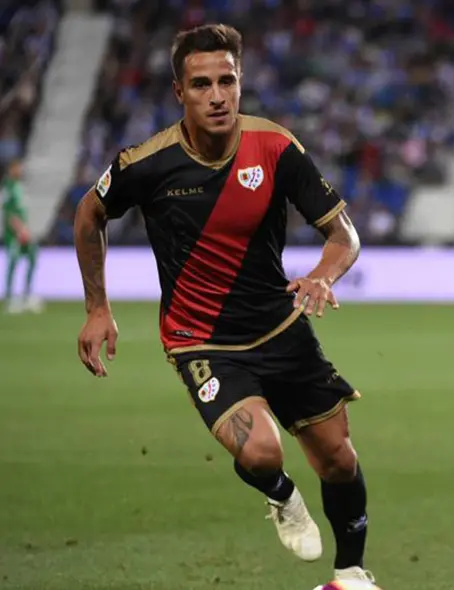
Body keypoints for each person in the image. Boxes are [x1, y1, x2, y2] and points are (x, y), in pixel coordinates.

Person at [73, 24, 378, 590]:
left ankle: (351, 574)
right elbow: (89, 212)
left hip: (280, 328)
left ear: (240, 83)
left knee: (338, 458)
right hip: (202, 339)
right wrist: (97, 307)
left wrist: (321, 274)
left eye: (227, 81)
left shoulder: (275, 147)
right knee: (261, 452)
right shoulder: (148, 163)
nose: (217, 96)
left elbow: (345, 235)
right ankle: (281, 495)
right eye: (201, 84)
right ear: (179, 92)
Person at [2, 159, 42, 313]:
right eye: (17, 168)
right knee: (13, 262)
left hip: (23, 231)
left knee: (32, 257)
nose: (20, 170)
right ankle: (9, 298)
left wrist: (26, 229)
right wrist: (19, 230)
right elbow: (8, 213)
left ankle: (27, 294)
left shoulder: (19, 186)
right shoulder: (9, 187)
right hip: (13, 234)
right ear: (11, 169)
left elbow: (21, 211)